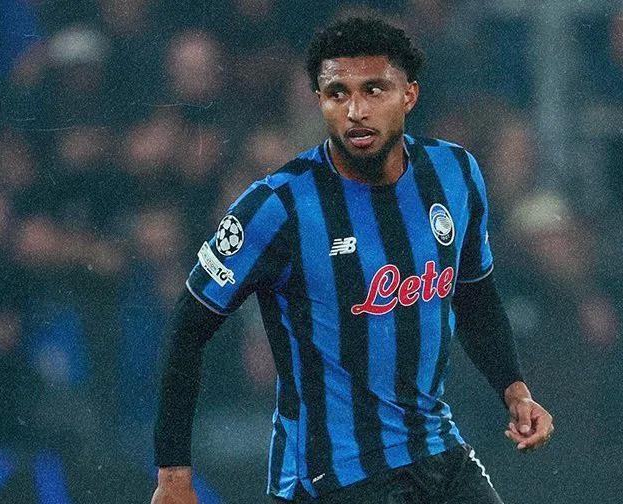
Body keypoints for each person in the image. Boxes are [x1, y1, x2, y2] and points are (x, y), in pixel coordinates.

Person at [151, 17, 553, 504]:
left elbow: (473, 295)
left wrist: (513, 388)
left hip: (437, 451)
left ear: (409, 95)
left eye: (374, 90)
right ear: (319, 101)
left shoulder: (454, 173)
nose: (356, 111)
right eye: (337, 93)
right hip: (333, 476)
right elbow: (189, 327)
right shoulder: (279, 205)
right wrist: (173, 476)